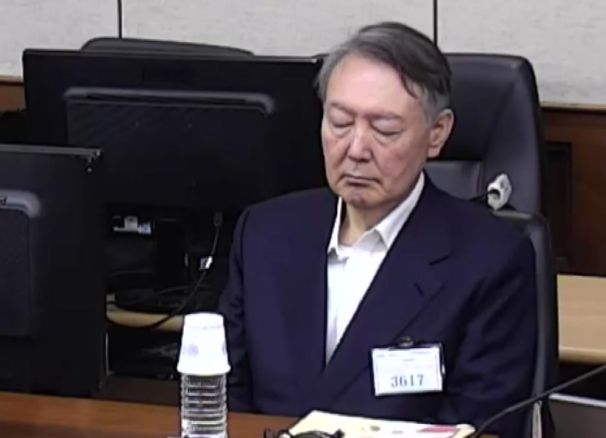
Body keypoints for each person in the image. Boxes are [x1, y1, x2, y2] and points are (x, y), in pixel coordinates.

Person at [219, 21, 537, 435]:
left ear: (437, 134)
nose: (355, 149)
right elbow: (226, 393)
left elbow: (480, 424)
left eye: (384, 130)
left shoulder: (490, 260)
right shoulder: (264, 234)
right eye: (340, 123)